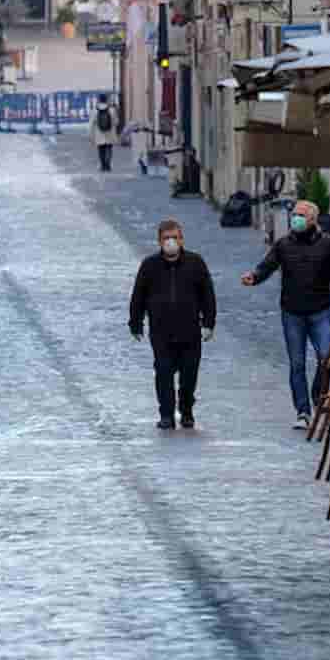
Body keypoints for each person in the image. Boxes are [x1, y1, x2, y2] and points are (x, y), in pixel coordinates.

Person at [242, 200, 330, 429]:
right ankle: (302, 411)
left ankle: (319, 394)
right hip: (292, 313)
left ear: (312, 219)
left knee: (326, 358)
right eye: (294, 214)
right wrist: (254, 276)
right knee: (297, 363)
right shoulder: (283, 245)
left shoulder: (328, 245)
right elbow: (267, 265)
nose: (295, 218)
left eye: (300, 215)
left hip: (320, 310)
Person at [129, 219, 217, 430]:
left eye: (174, 238)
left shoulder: (196, 263)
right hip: (161, 331)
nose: (171, 242)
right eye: (166, 238)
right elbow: (138, 295)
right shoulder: (149, 266)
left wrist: (209, 323)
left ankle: (186, 410)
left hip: (190, 330)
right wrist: (136, 323)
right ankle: (166, 414)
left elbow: (207, 294)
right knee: (163, 372)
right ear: (159, 241)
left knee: (189, 373)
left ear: (182, 239)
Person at [89, 94, 117, 172]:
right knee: (109, 148)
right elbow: (116, 122)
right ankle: (108, 165)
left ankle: (103, 165)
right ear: (106, 100)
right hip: (109, 133)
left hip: (99, 134)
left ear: (99, 100)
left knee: (101, 150)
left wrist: (91, 135)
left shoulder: (94, 110)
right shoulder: (112, 110)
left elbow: (91, 124)